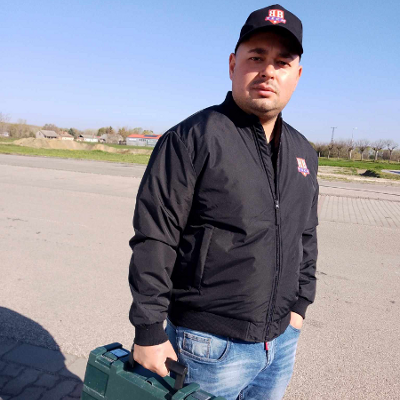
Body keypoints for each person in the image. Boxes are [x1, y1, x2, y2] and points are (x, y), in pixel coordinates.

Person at [128, 4, 318, 400]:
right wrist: (148, 330)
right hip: (208, 346)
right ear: (233, 65)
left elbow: (306, 233)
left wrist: (300, 305)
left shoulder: (304, 152)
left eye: (282, 62)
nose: (268, 71)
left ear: (297, 75)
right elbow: (155, 237)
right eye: (256, 58)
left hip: (281, 342)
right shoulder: (191, 139)